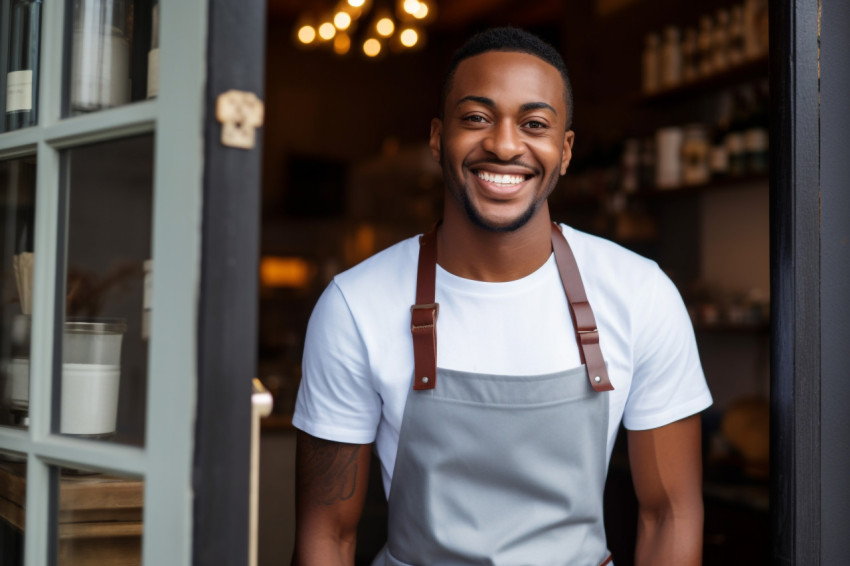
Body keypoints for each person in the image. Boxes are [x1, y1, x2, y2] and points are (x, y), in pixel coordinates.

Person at [291, 27, 712, 566]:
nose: (505, 145)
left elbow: (669, 513)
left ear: (564, 151)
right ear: (438, 138)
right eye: (476, 118)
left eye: (534, 124)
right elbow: (327, 535)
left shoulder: (640, 294)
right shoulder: (355, 304)